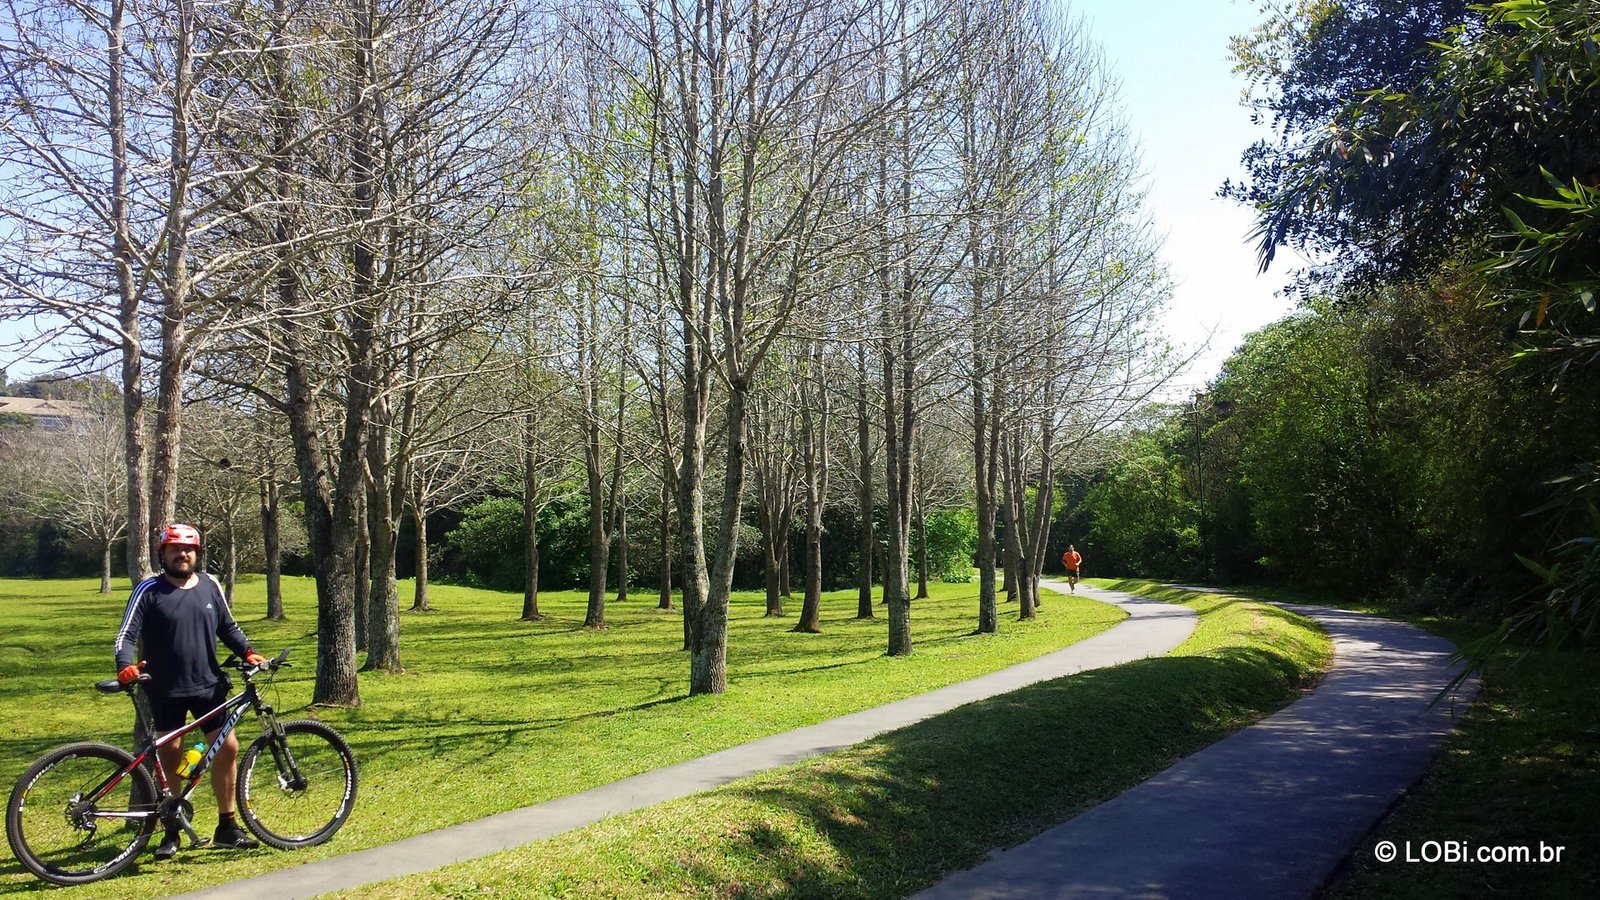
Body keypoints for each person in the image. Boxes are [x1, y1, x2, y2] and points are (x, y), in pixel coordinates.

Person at [114, 523, 266, 860]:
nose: (182, 555)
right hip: (165, 688)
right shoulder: (148, 591)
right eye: (174, 550)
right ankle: (172, 830)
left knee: (226, 747)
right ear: (162, 555)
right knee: (171, 753)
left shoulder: (210, 585)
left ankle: (227, 826)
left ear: (196, 554)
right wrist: (125, 665)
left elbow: (228, 626)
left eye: (189, 550)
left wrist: (248, 651)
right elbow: (125, 635)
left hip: (208, 685)